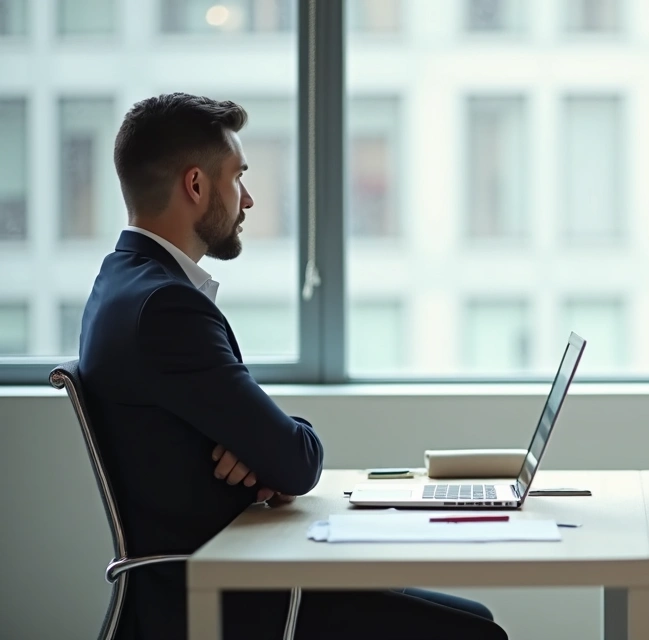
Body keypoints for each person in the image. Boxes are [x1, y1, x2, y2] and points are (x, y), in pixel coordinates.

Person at [77, 93, 508, 640]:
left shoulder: (120, 283)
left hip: (225, 572)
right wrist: (271, 454)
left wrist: (260, 455)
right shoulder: (166, 308)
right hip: (232, 601)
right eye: (238, 176)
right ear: (195, 185)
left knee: (474, 622)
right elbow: (297, 461)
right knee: (476, 634)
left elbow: (267, 453)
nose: (249, 199)